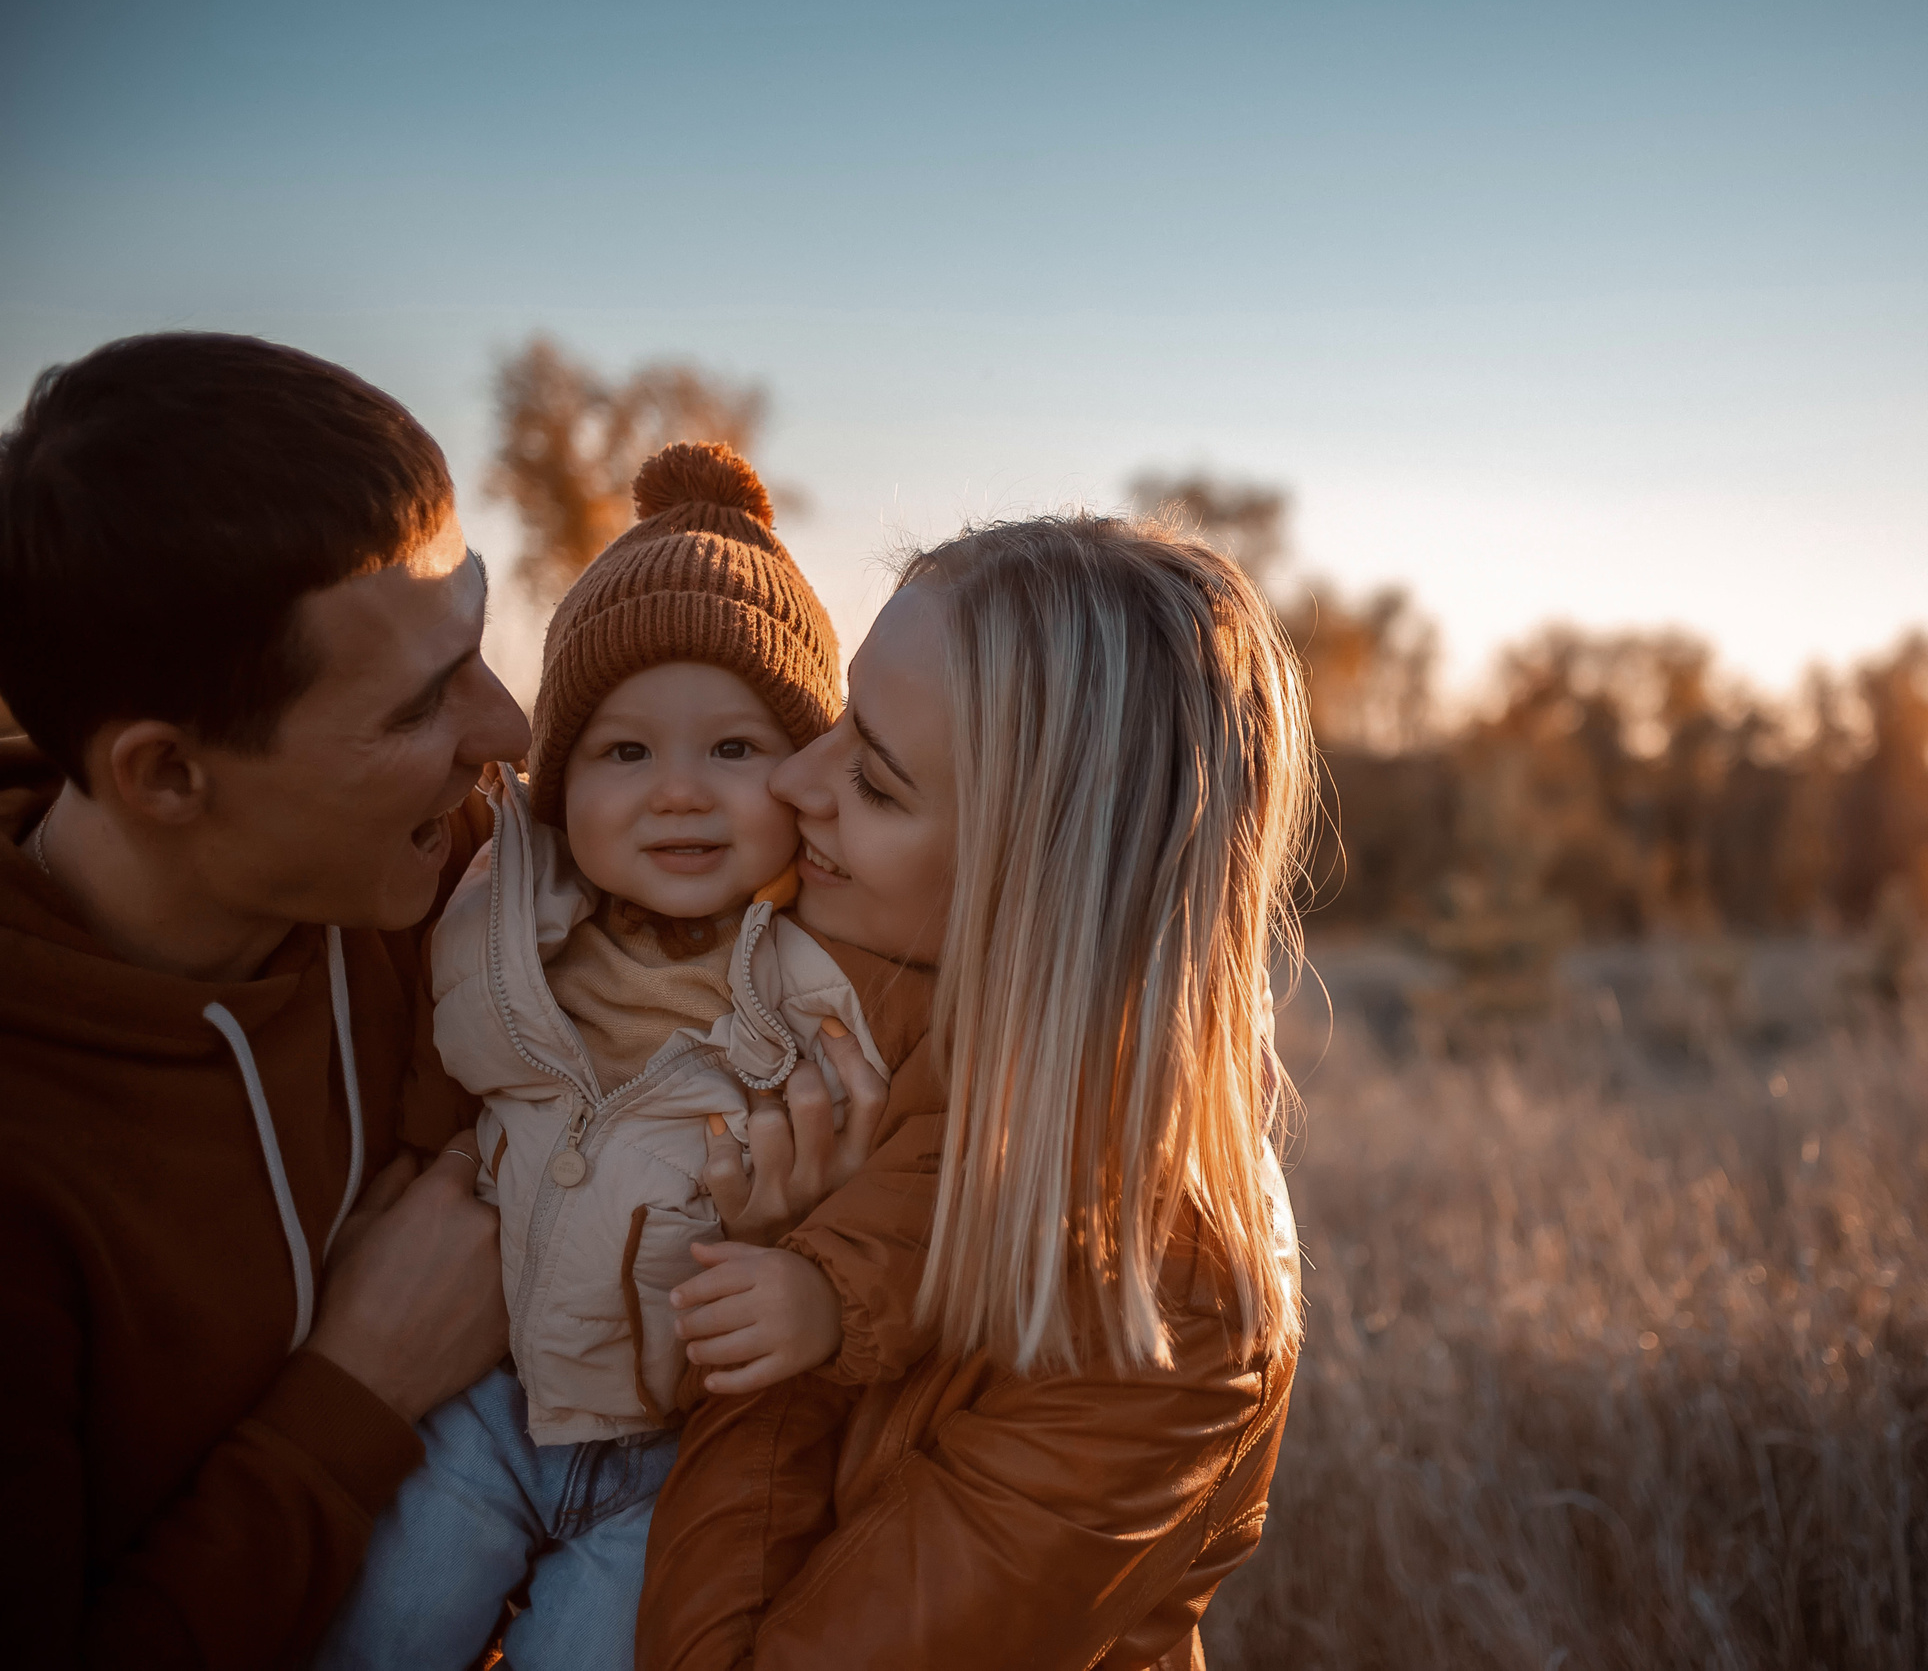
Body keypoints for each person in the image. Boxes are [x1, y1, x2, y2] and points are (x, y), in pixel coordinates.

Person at [639, 513, 1309, 1668]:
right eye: (841, 716)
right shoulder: (835, 1032)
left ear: (1039, 888)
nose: (797, 778)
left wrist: (803, 1279)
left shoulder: (1157, 1314)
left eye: (879, 783)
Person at [315, 442, 915, 1671]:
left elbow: (907, 1202)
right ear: (556, 786)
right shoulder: (491, 915)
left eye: (734, 751)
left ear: (805, 776)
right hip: (482, 1408)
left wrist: (810, 1261)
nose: (679, 794)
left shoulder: (833, 986)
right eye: (624, 752)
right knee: (384, 1629)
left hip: (671, 1466)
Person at [0, 332, 531, 1667]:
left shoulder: (460, 883)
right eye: (421, 704)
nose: (508, 727)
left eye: (475, 634)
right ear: (168, 775)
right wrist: (357, 1392)